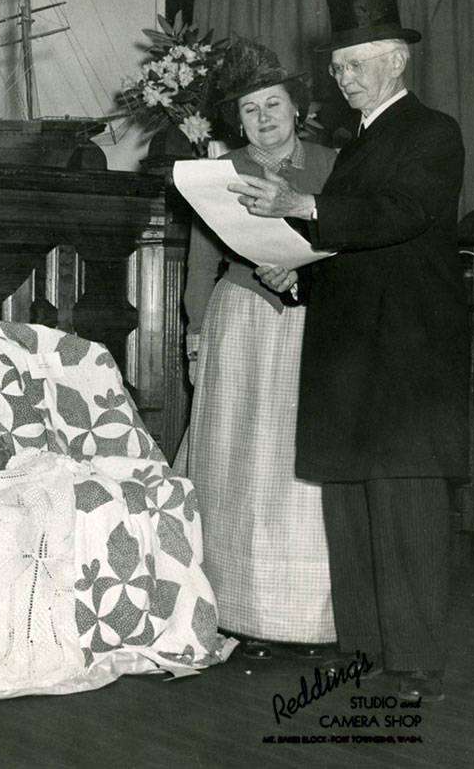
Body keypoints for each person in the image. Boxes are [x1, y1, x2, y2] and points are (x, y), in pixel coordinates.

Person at [231, 0, 467, 701]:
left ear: (396, 62)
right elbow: (353, 239)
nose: (343, 78)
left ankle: (416, 663)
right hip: (348, 348)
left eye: (355, 64)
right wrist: (297, 268)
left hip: (405, 352)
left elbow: (401, 214)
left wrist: (304, 207)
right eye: (337, 69)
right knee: (351, 506)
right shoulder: (356, 143)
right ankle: (364, 649)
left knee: (404, 507)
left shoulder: (432, 131)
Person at [179, 39, 337, 661]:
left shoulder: (332, 164)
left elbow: (355, 241)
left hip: (315, 322)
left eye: (274, 104)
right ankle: (238, 612)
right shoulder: (219, 171)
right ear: (237, 122)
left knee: (301, 464)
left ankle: (308, 616)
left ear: (297, 109)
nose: (264, 118)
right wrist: (196, 336)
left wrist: (311, 269)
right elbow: (201, 265)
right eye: (251, 110)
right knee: (238, 459)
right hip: (243, 322)